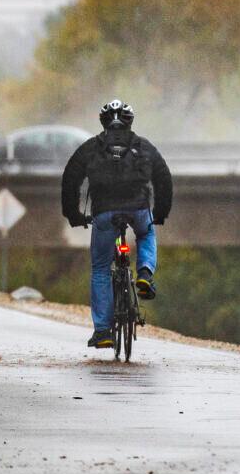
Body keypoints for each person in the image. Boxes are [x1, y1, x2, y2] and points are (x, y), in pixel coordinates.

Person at [60, 100, 173, 349]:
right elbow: (164, 179)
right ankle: (144, 273)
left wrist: (74, 215)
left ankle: (103, 332)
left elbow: (70, 179)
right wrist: (160, 213)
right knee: (146, 233)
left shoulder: (90, 148)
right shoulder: (144, 147)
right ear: (130, 122)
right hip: (138, 209)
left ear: (103, 123)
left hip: (104, 213)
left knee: (101, 267)